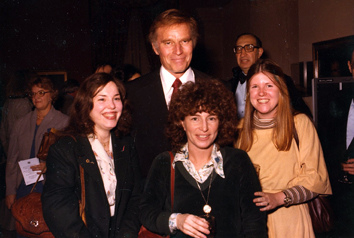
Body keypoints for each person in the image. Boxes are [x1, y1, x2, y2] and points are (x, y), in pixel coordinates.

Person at [140, 80, 267, 238]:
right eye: (195, 118)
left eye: (211, 118)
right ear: (182, 122)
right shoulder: (164, 163)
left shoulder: (239, 161)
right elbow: (146, 212)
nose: (204, 127)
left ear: (221, 122)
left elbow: (255, 223)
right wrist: (177, 221)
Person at [235, 59, 332, 237]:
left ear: (281, 90)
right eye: (255, 86)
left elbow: (316, 178)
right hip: (250, 223)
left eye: (269, 85)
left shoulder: (299, 123)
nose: (262, 92)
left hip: (289, 220)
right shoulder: (238, 130)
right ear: (248, 92)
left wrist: (279, 198)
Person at [42, 73, 141, 237]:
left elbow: (136, 197)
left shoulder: (126, 145)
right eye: (102, 99)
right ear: (85, 105)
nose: (112, 106)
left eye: (116, 98)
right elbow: (58, 208)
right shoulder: (65, 149)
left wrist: (126, 234)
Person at [125, 9, 211, 179]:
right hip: (151, 198)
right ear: (155, 48)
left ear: (193, 43)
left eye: (184, 41)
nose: (178, 51)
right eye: (168, 43)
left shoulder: (217, 89)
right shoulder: (132, 92)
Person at [5, 76, 69, 226]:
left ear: (52, 95)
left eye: (41, 92)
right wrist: (10, 191)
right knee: (24, 229)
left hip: (50, 186)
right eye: (33, 94)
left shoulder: (64, 122)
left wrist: (50, 166)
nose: (36, 97)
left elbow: (69, 159)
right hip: (23, 186)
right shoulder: (21, 123)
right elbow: (12, 160)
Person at [225, 33, 312, 119]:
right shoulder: (229, 85)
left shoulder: (281, 80)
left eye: (249, 48)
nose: (243, 54)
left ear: (259, 52)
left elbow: (301, 114)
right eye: (239, 49)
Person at [0, 70, 33, 233]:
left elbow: (3, 132)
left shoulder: (8, 103)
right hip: (24, 155)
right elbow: (28, 132)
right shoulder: (25, 104)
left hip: (12, 153)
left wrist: (8, 152)